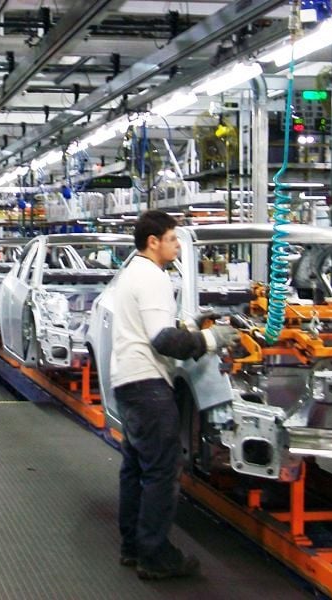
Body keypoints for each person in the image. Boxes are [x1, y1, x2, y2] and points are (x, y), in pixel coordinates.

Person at [111, 210, 240, 581]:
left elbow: (157, 328)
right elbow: (162, 340)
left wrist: (189, 327)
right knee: (161, 472)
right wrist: (209, 340)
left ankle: (133, 547)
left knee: (136, 469)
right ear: (153, 242)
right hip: (148, 386)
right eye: (172, 239)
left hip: (129, 382)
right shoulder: (152, 276)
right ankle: (156, 556)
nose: (176, 245)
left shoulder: (132, 272)